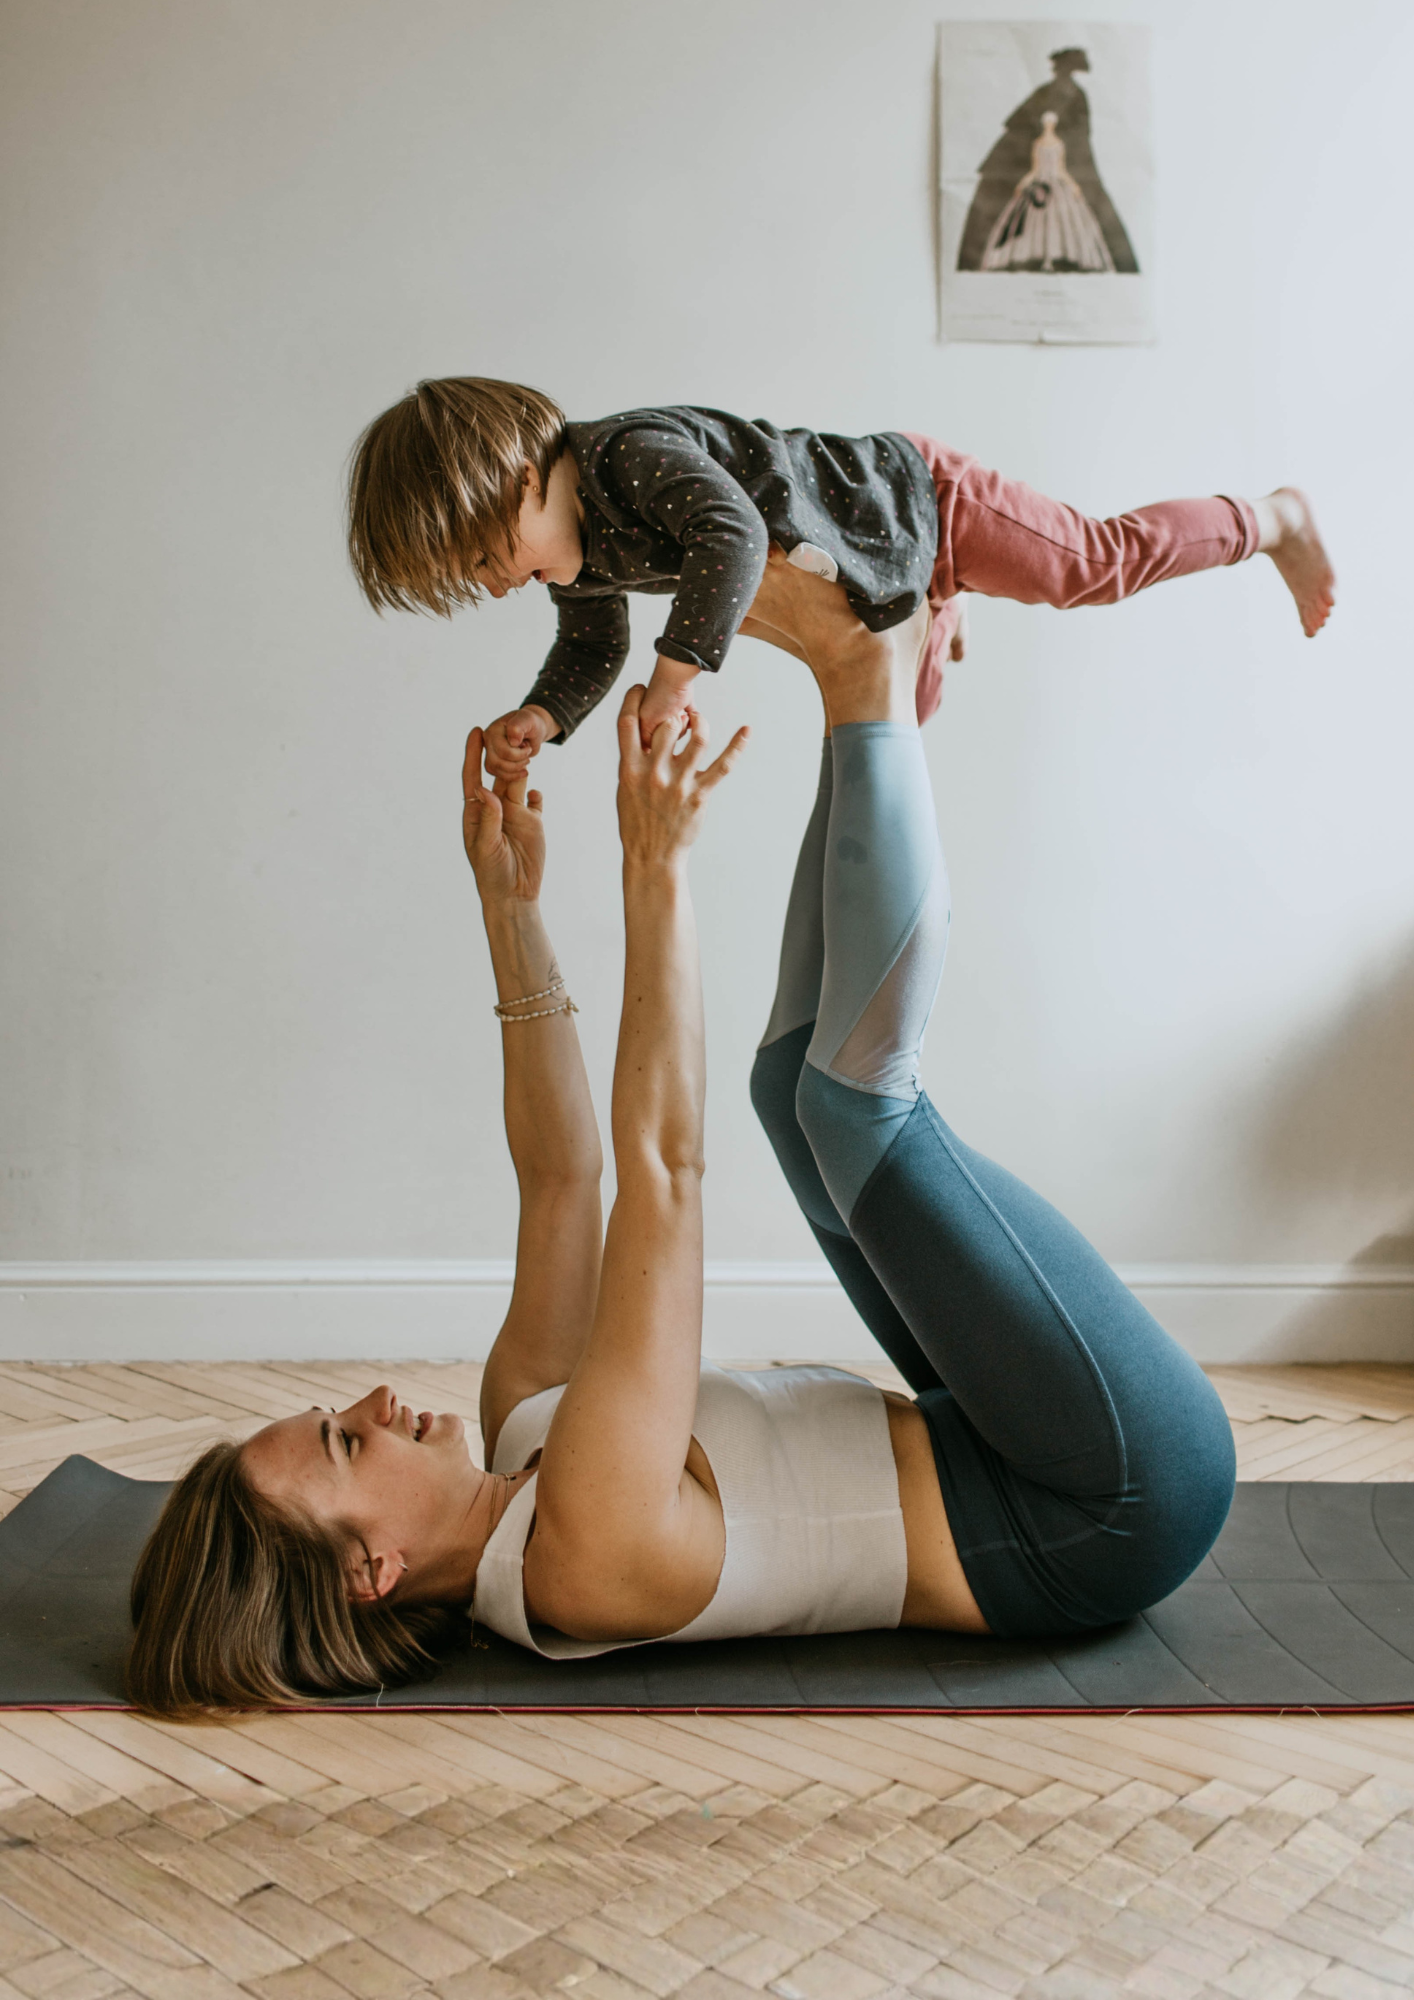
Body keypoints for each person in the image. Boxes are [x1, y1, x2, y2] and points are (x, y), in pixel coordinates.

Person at [127, 569, 1236, 1716]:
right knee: (858, 1111)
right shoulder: (582, 1555)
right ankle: (870, 684)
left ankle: (869, 705)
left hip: (992, 1442)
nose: (367, 1400)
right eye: (345, 1445)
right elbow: (663, 1173)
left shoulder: (524, 1425)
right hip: (1107, 1503)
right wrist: (654, 867)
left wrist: (511, 912)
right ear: (372, 1574)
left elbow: (563, 1176)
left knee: (785, 1090)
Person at [345, 378, 1335, 770]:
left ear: (524, 483)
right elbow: (590, 637)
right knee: (901, 730)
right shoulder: (580, 556)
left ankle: (1269, 519)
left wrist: (675, 677)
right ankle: (936, 606)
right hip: (875, 571)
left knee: (1088, 566)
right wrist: (544, 717)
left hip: (919, 499)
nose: (488, 583)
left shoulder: (623, 457)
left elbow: (728, 532)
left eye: (482, 556)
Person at [981, 111, 1115, 274]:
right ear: (1044, 124)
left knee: (1056, 222)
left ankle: (1050, 260)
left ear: (1054, 124)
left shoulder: (1059, 144)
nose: (1048, 125)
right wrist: (1023, 183)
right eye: (1046, 123)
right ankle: (1045, 260)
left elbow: (1061, 169)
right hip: (1040, 187)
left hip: (1056, 186)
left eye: (1050, 123)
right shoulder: (1038, 143)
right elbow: (1035, 169)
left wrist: (1072, 185)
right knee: (1035, 222)